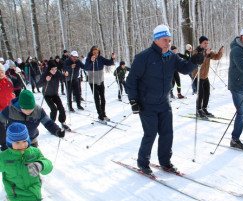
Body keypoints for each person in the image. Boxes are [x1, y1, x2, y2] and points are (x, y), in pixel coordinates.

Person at [125, 24, 204, 175]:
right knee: (151, 133)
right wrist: (133, 101)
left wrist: (194, 60)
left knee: (167, 133)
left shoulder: (172, 56)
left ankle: (165, 162)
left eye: (169, 40)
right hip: (146, 103)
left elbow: (185, 69)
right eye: (164, 40)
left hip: (164, 102)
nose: (168, 43)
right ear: (156, 40)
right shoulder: (143, 57)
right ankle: (143, 163)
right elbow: (131, 80)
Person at [0, 122, 53, 201]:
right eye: (17, 142)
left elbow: (48, 165)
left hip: (33, 191)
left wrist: (40, 165)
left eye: (24, 141)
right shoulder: (4, 157)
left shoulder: (34, 152)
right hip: (17, 194)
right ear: (10, 143)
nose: (22, 145)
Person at [0, 90, 65, 150]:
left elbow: (48, 122)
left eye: (31, 109)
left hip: (31, 142)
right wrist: (3, 142)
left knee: (32, 160)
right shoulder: (10, 110)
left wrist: (57, 130)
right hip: (15, 143)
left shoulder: (38, 110)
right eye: (26, 109)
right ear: (20, 106)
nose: (29, 111)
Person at [192, 36, 224, 118]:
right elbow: (198, 60)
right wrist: (206, 54)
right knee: (200, 93)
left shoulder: (208, 52)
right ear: (200, 43)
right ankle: (198, 110)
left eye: (207, 43)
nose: (206, 45)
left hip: (205, 76)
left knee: (207, 93)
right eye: (204, 43)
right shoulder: (195, 51)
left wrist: (220, 52)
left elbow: (216, 57)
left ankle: (204, 109)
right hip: (197, 76)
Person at [84, 46, 115, 122]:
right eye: (94, 52)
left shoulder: (100, 58)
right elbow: (86, 68)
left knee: (103, 98)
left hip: (100, 80)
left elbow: (109, 63)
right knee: (97, 98)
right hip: (93, 81)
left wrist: (112, 58)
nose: (96, 54)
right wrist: (91, 61)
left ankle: (103, 114)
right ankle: (100, 115)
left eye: (97, 52)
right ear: (91, 52)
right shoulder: (89, 58)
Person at [38, 60, 70, 130]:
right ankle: (51, 124)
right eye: (53, 69)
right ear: (49, 69)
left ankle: (62, 122)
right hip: (47, 95)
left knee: (61, 108)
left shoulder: (57, 73)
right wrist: (46, 80)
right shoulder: (45, 74)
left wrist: (66, 75)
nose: (54, 71)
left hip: (55, 94)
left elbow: (63, 79)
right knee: (54, 109)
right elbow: (39, 85)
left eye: (55, 69)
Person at [0, 63, 16, 151]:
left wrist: (18, 73)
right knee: (2, 127)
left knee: (11, 124)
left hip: (10, 107)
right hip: (1, 108)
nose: (0, 74)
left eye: (2, 72)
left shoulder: (9, 79)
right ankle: (4, 144)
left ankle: (13, 141)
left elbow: (19, 82)